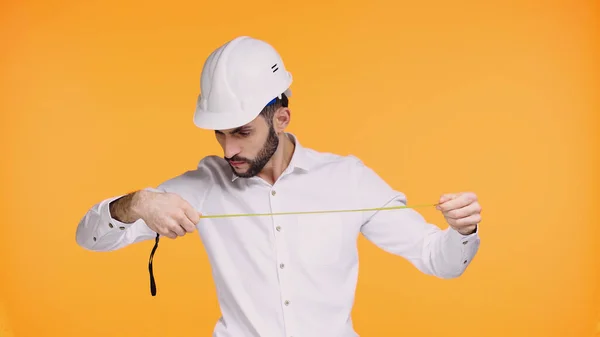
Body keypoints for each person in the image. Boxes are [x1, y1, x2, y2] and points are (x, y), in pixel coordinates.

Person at [75, 36, 482, 337]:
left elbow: (438, 260)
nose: (228, 148)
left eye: (242, 132)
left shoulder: (348, 179)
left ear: (282, 119)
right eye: (219, 133)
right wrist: (137, 203)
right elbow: (89, 238)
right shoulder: (202, 186)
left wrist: (462, 231)